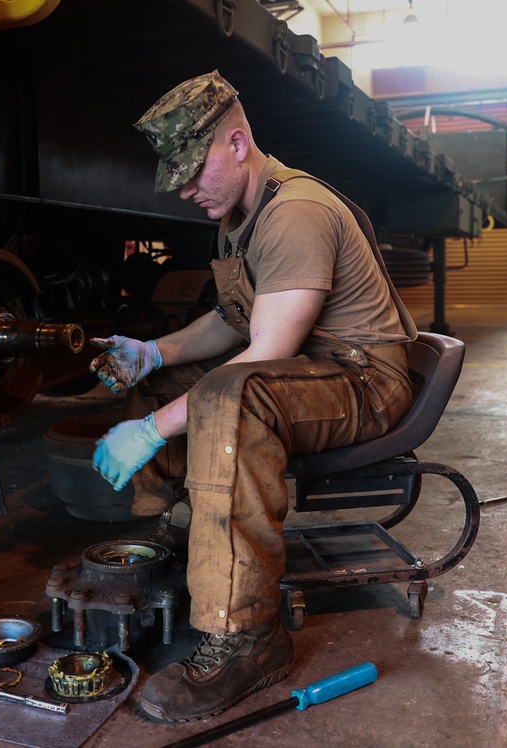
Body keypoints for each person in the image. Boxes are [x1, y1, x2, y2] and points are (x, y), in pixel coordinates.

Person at [89, 70, 418, 723]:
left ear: (237, 143)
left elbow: (265, 354)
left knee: (231, 399)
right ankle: (179, 535)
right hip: (310, 372)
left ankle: (247, 637)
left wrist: (153, 429)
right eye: (174, 172)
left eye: (193, 168)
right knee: (170, 382)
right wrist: (155, 355)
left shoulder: (295, 211)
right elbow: (233, 319)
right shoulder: (238, 214)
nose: (183, 187)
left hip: (364, 381)